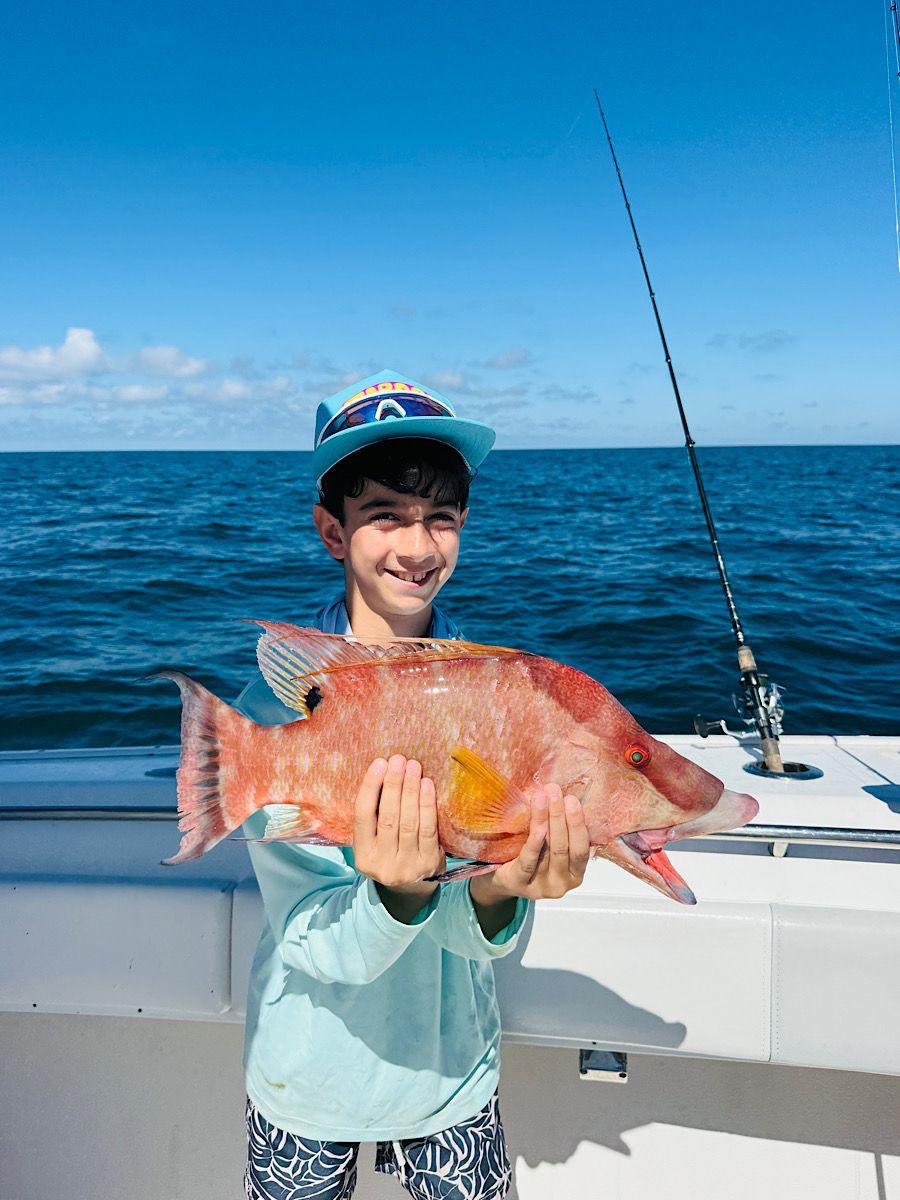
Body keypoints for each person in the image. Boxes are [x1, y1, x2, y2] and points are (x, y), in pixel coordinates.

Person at [236, 370, 590, 1200]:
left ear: (463, 525)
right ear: (332, 530)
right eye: (384, 515)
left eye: (440, 517)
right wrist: (392, 896)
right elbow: (309, 940)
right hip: (307, 1082)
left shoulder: (494, 692)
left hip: (450, 1075)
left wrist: (504, 890)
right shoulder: (278, 711)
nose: (417, 545)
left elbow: (478, 936)